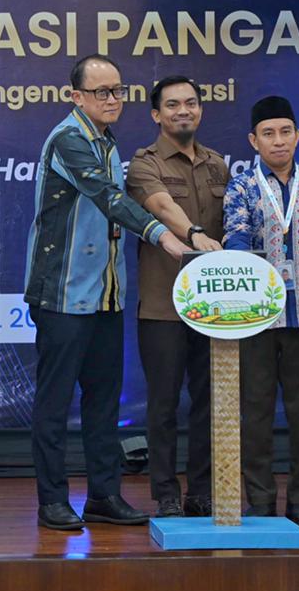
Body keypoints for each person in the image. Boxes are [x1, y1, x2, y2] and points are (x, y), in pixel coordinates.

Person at [24, 55, 190, 532]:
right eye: (102, 92)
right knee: (54, 403)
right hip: (62, 295)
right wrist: (162, 235)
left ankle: (104, 495)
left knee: (104, 403)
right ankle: (52, 500)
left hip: (105, 295)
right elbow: (109, 198)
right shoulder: (68, 139)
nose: (113, 99)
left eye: (118, 90)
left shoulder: (107, 140)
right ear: (76, 97)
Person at [222, 95, 299, 528]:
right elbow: (236, 242)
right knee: (255, 414)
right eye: (268, 134)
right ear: (253, 141)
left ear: (298, 136)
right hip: (256, 320)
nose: (278, 141)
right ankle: (259, 499)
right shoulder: (241, 187)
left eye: (285, 132)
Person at [126, 75, 228, 519]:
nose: (183, 110)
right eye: (172, 105)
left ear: (200, 110)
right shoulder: (142, 164)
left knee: (209, 403)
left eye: (190, 103)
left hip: (214, 307)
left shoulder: (218, 165)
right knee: (163, 405)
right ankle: (165, 493)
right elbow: (162, 207)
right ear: (156, 114)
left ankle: (202, 490)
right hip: (163, 306)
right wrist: (196, 234)